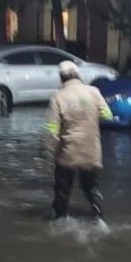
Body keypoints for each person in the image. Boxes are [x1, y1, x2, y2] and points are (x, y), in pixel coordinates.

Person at [45, 60, 114, 221]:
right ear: (78, 75)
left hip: (68, 154)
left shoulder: (58, 97)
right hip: (91, 151)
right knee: (90, 187)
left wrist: (49, 151)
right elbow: (108, 116)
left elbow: (53, 131)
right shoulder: (94, 92)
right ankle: (98, 216)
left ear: (62, 78)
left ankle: (60, 220)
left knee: (62, 190)